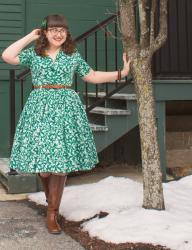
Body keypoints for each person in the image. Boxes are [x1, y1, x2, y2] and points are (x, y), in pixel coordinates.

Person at [1, 14, 130, 234]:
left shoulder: (72, 56)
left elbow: (92, 75)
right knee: (43, 168)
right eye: (53, 30)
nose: (59, 33)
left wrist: (122, 72)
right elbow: (7, 56)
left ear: (66, 34)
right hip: (39, 108)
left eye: (62, 30)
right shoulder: (35, 54)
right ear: (45, 32)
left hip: (65, 109)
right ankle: (51, 201)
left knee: (59, 165)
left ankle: (52, 213)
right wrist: (30, 37)